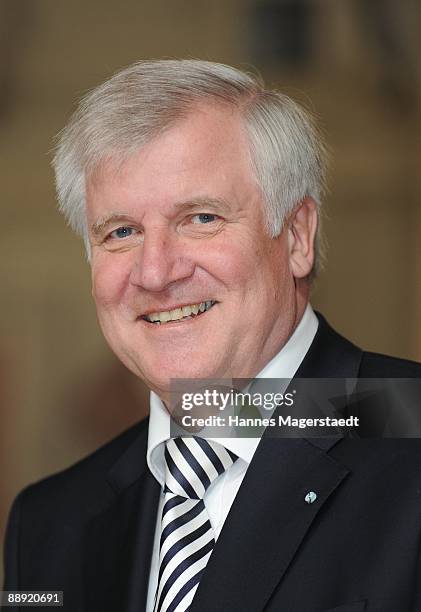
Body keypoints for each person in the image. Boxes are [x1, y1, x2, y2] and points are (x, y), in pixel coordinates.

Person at [3, 60, 421, 612]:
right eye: (121, 232)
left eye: (201, 218)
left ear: (297, 236)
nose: (155, 273)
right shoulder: (48, 523)